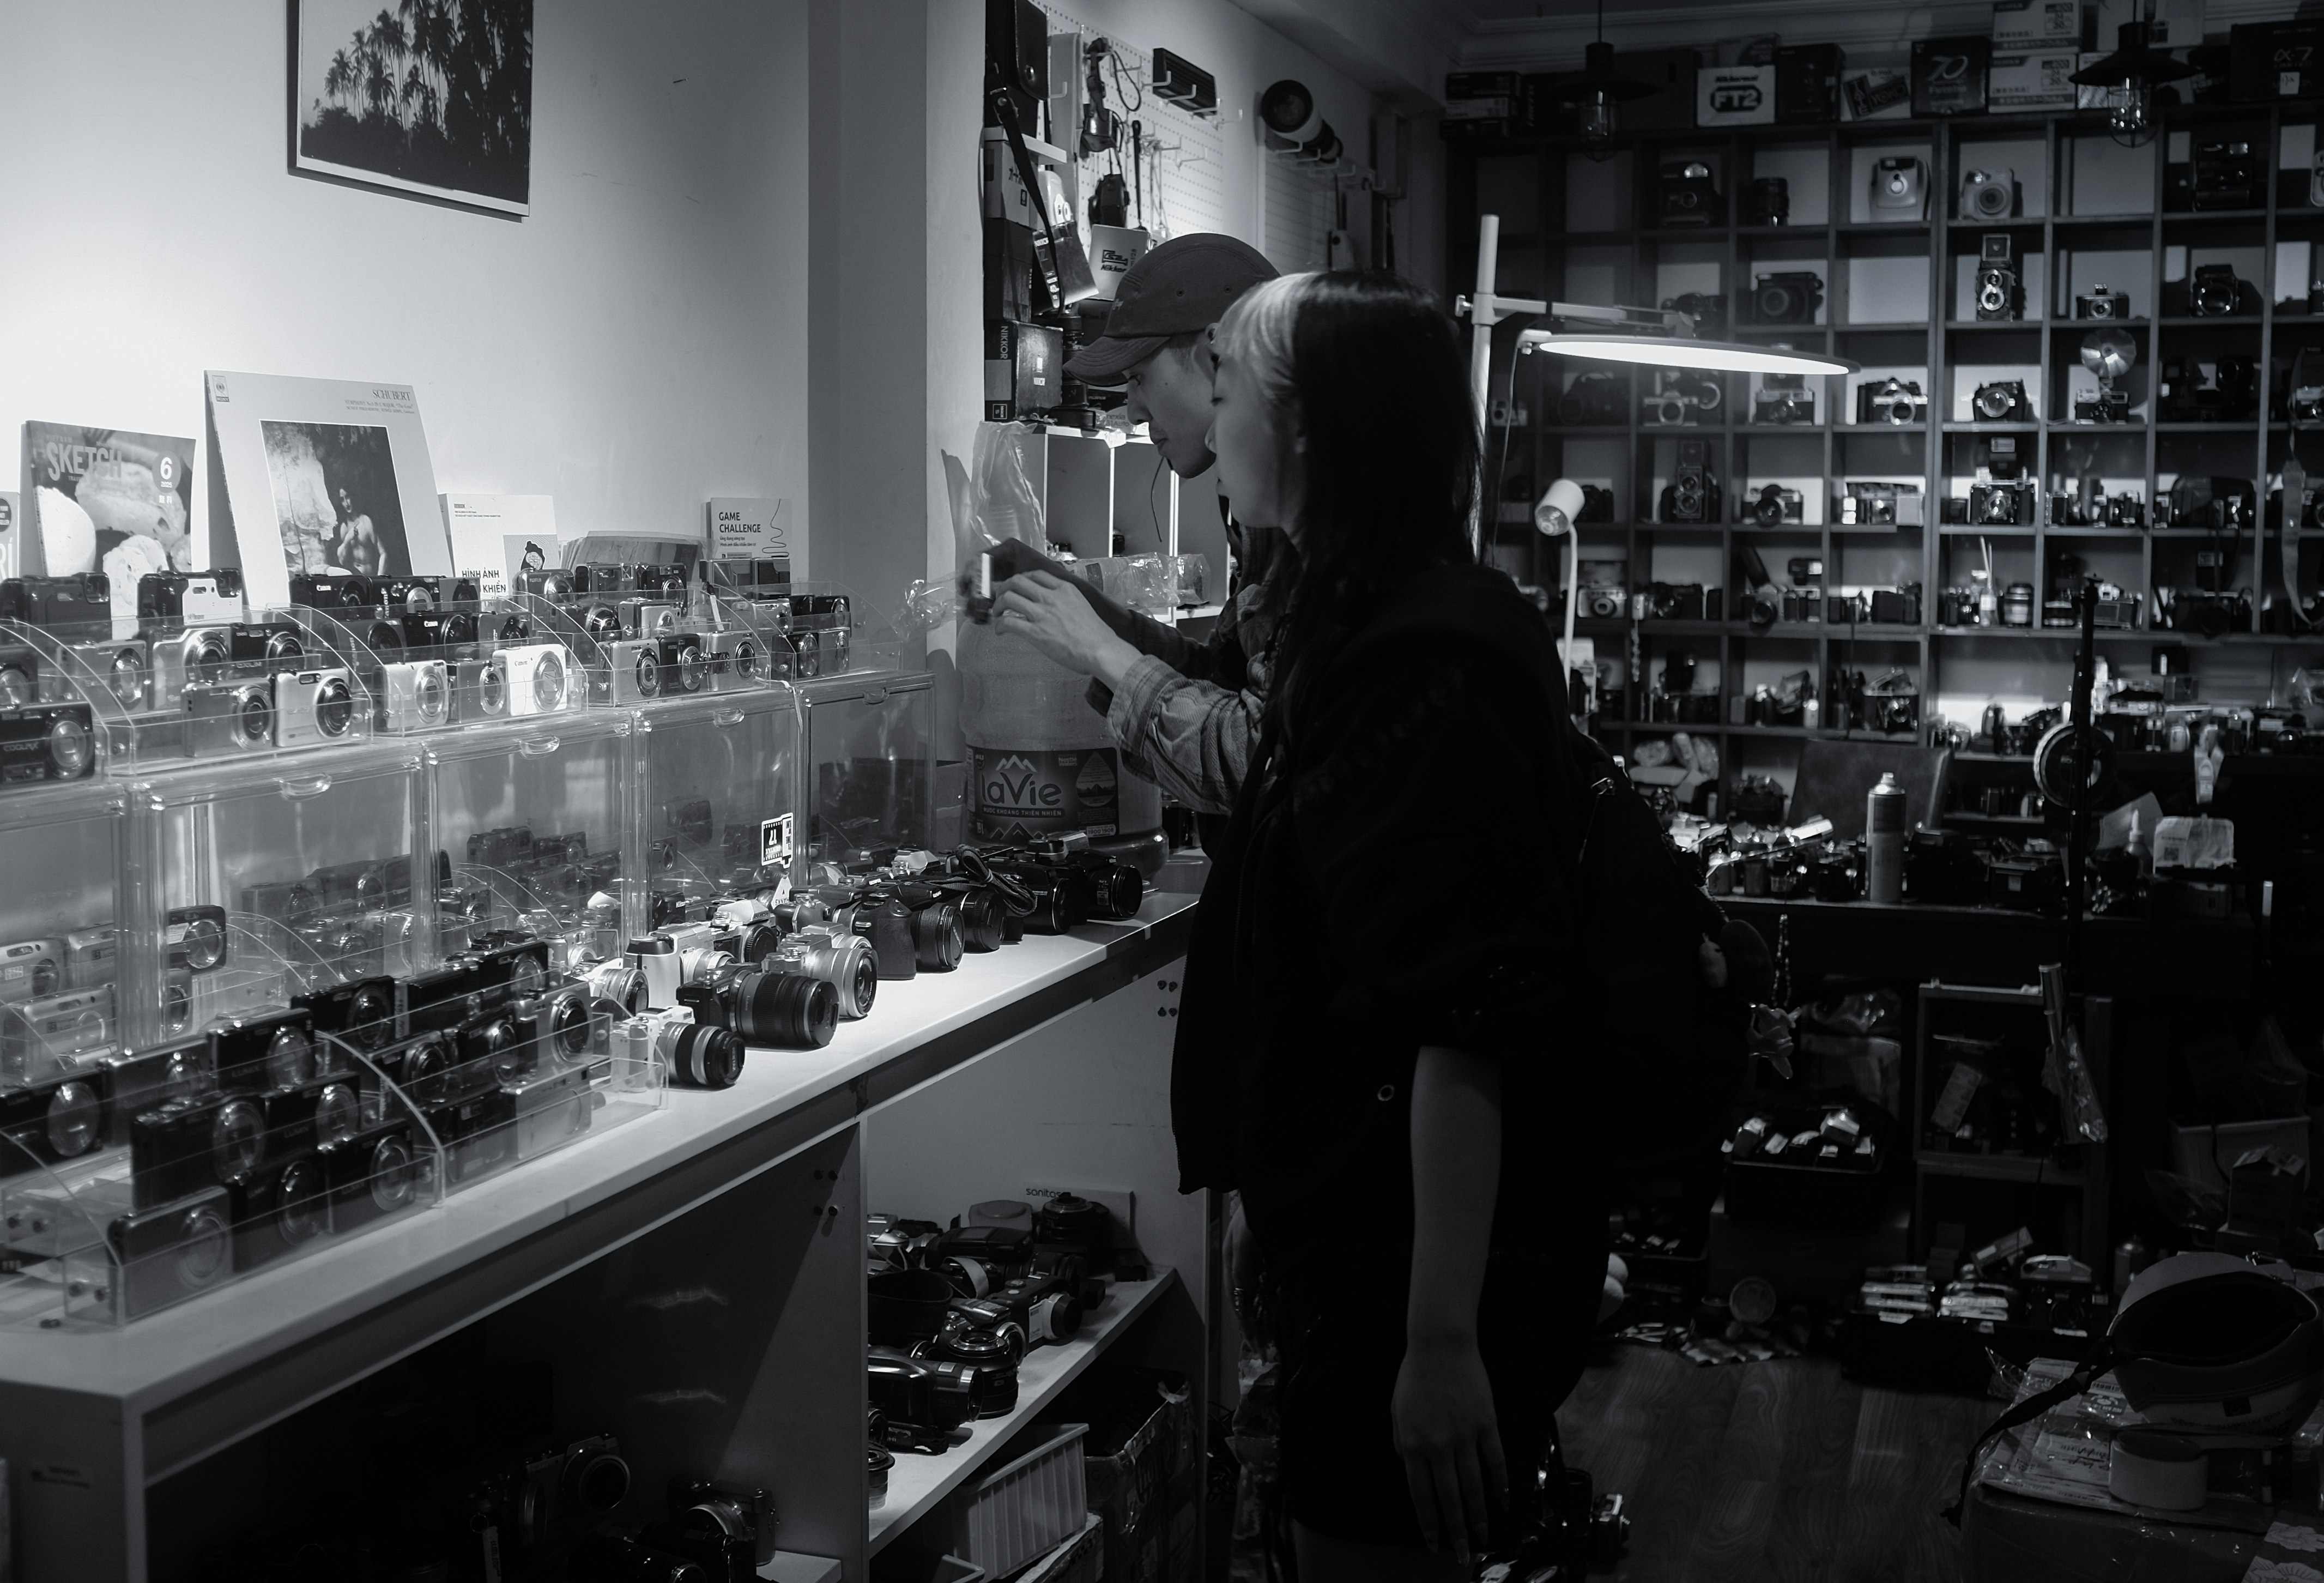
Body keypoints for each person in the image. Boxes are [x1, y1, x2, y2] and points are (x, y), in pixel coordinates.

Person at [1080, 271, 1608, 1582]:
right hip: (1360, 1243)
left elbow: (1461, 1023)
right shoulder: (1365, 626)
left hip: (1405, 1275)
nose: (1214, 405)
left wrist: (1434, 1339)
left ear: (1306, 426)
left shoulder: (1424, 656)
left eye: (1234, 383)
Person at [982, 233, 1285, 839]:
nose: (1135, 412)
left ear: (1215, 354)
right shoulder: (1258, 519)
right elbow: (1221, 681)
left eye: (1141, 378)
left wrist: (1103, 652)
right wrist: (1070, 599)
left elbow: (1256, 761)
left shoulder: (1314, 543)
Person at [334, 486, 382, 575]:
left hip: (370, 577)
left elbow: (383, 554)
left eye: (347, 497)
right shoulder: (344, 527)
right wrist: (348, 539)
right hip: (355, 578)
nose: (346, 503)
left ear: (353, 497)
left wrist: (380, 578)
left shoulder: (366, 521)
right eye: (342, 500)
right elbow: (341, 561)